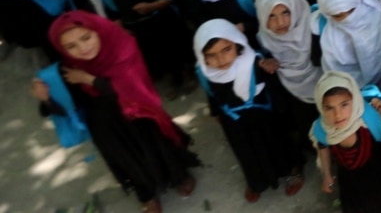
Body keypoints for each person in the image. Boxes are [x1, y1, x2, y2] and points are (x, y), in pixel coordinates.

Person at [33, 12, 199, 213]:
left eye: (86, 37)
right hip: (106, 125)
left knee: (158, 148)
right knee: (126, 158)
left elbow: (132, 88)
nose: (82, 49)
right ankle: (146, 192)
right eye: (70, 46)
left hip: (140, 114)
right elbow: (70, 105)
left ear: (98, 30)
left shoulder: (122, 47)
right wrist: (47, 97)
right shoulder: (69, 67)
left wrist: (89, 80)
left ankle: (178, 176)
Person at [194, 18, 305, 202]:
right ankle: (256, 181)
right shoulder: (205, 72)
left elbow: (274, 91)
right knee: (245, 151)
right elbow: (212, 95)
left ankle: (293, 169)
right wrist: (217, 114)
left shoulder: (253, 62)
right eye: (211, 55)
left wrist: (281, 113)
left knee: (277, 144)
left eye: (226, 49)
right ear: (202, 56)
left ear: (238, 45)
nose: (221, 60)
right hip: (234, 122)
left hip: (264, 118)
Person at [310, 71, 381, 213]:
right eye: (329, 108)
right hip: (351, 183)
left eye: (344, 104)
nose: (338, 114)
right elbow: (323, 145)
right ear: (321, 108)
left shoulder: (370, 118)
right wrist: (327, 174)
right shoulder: (323, 127)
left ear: (355, 100)